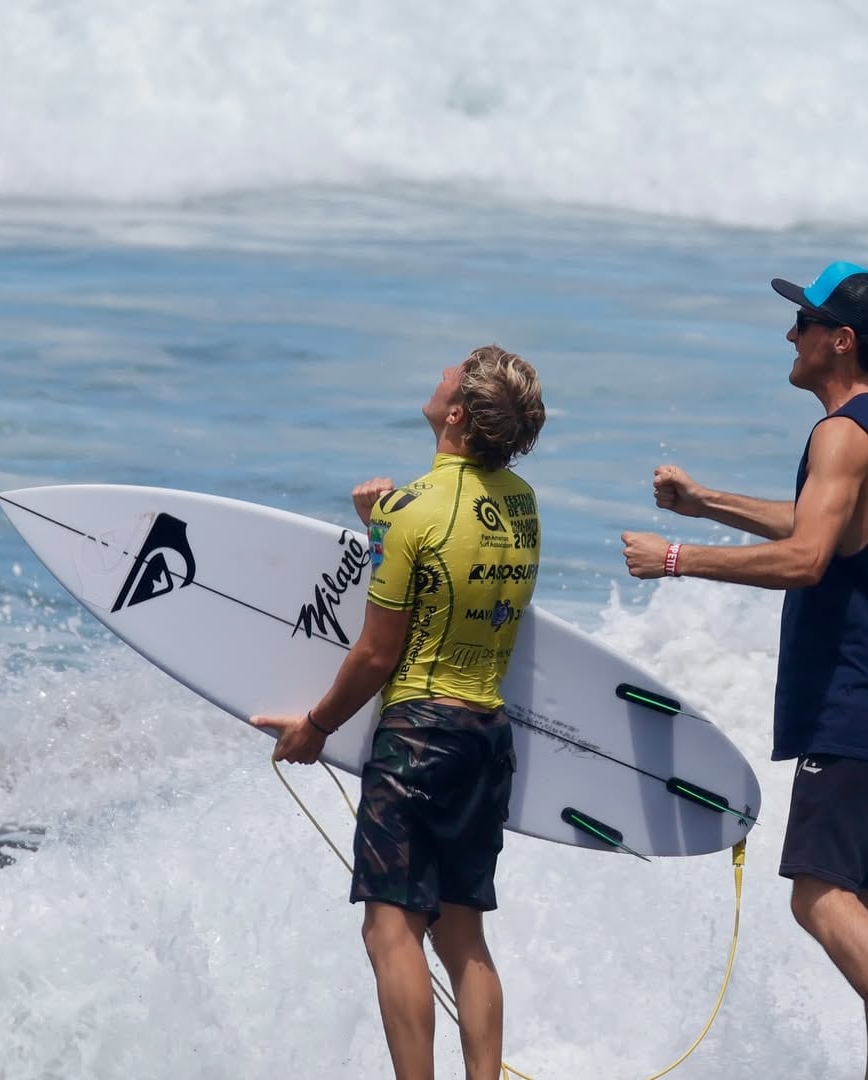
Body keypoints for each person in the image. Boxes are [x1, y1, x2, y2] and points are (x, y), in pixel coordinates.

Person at [621, 262, 868, 1080]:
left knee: (816, 894)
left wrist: (676, 557)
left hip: (860, 701)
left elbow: (809, 555)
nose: (792, 333)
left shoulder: (839, 434)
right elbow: (830, 520)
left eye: (805, 321)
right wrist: (707, 502)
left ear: (839, 341)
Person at [252, 344, 545, 1080]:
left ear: (454, 415)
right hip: (486, 738)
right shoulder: (522, 504)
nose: (441, 370)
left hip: (418, 737)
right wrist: (380, 525)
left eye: (451, 373)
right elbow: (461, 557)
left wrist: (314, 727)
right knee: (463, 938)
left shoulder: (412, 512)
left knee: (391, 932)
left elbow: (376, 656)